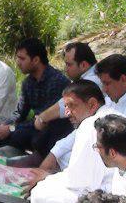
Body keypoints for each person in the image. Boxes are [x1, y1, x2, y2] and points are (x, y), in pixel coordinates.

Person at [27, 81, 117, 203]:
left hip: (110, 200)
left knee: (41, 195)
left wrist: (48, 178)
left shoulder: (91, 126)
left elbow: (78, 182)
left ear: (92, 105)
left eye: (72, 106)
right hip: (112, 191)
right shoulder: (108, 116)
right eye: (66, 107)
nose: (67, 112)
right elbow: (64, 146)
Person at [0, 38, 71, 161]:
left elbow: (44, 120)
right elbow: (20, 113)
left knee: (33, 137)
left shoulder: (57, 81)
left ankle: (29, 155)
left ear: (36, 60)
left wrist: (11, 129)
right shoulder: (28, 83)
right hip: (30, 126)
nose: (18, 62)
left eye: (22, 59)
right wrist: (5, 125)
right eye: (17, 58)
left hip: (47, 130)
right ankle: (8, 145)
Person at [38, 42, 98, 172]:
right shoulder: (85, 78)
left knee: (56, 124)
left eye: (69, 64)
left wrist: (42, 118)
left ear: (83, 65)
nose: (66, 68)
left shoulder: (92, 81)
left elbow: (62, 107)